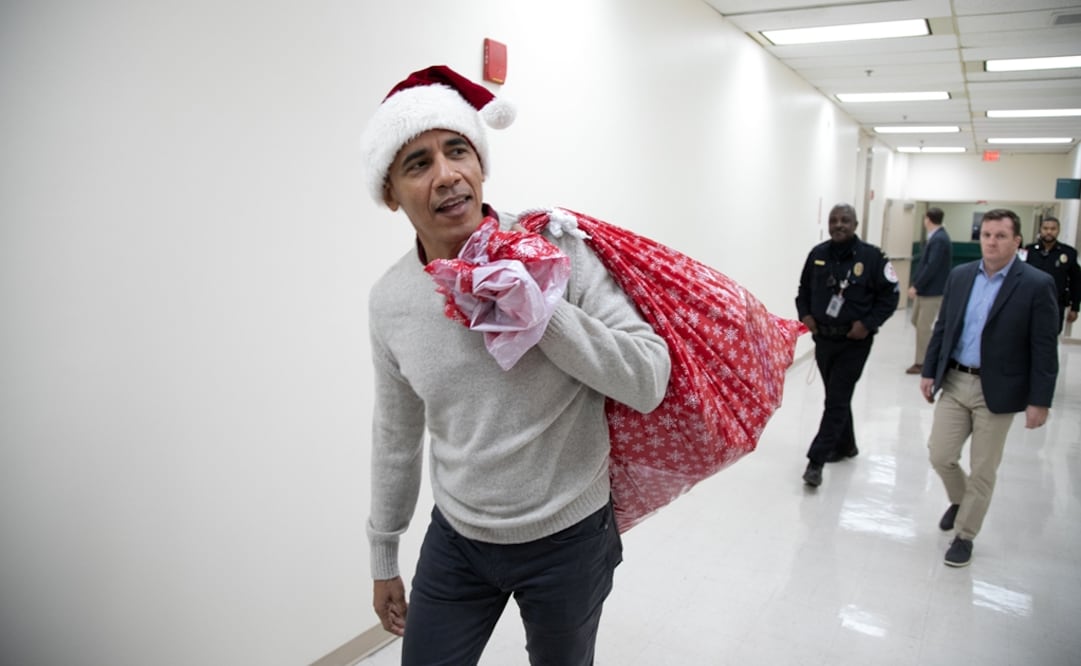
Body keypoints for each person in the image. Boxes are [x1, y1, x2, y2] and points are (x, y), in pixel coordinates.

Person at [358, 65, 671, 665]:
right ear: (391, 193)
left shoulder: (556, 248)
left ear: (481, 164)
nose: (446, 175)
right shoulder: (391, 301)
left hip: (568, 538)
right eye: (418, 163)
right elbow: (395, 436)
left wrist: (542, 311)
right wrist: (383, 554)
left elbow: (648, 377)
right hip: (459, 539)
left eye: (458, 151)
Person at [920, 209, 1059, 567]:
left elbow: (1044, 348)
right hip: (955, 380)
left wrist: (1039, 400)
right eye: (986, 235)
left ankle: (965, 535)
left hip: (998, 389)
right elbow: (943, 327)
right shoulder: (961, 276)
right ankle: (960, 499)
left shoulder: (1036, 284)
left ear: (1017, 241)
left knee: (983, 468)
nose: (991, 242)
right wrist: (929, 371)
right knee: (940, 454)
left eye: (1000, 236)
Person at [795, 203, 900, 487]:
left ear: (855, 224)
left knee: (836, 399)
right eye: (834, 220)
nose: (839, 224)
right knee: (836, 396)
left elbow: (890, 297)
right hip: (824, 339)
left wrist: (868, 323)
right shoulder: (818, 254)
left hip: (854, 342)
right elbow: (803, 290)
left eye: (845, 220)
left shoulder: (873, 257)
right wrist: (805, 316)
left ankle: (816, 461)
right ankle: (847, 445)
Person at [906, 207, 951, 374]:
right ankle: (929, 355)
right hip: (925, 290)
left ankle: (923, 362)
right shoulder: (936, 237)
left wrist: (916, 285)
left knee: (924, 327)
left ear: (927, 219)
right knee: (916, 321)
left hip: (932, 292)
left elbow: (932, 266)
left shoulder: (939, 239)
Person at [1022, 215, 1081, 333]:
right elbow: (1019, 275)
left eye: (1053, 229)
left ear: (1058, 230)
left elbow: (1076, 281)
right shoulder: (1029, 250)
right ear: (1040, 230)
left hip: (1055, 303)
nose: (1049, 232)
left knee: (1051, 336)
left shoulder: (1069, 253)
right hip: (1030, 302)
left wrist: (1075, 307)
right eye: (1045, 228)